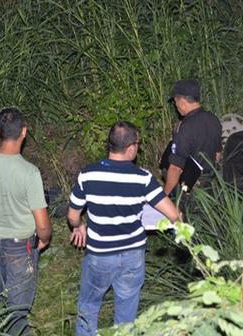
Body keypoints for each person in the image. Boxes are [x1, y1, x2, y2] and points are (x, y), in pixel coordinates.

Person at [67, 121, 181, 336]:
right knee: (127, 310)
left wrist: (79, 226)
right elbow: (173, 215)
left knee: (89, 306)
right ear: (130, 148)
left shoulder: (88, 175)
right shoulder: (143, 178)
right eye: (138, 144)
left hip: (100, 254)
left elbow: (73, 215)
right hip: (132, 255)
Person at [0, 107, 52, 336]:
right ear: (24, 132)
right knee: (18, 308)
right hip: (21, 246)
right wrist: (44, 239)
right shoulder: (29, 173)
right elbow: (43, 224)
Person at [164, 79, 222, 196]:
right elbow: (217, 155)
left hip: (190, 187)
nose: (176, 106)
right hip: (210, 184)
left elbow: (176, 168)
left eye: (175, 102)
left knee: (168, 170)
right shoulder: (213, 119)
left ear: (182, 102)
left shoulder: (185, 127)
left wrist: (164, 196)